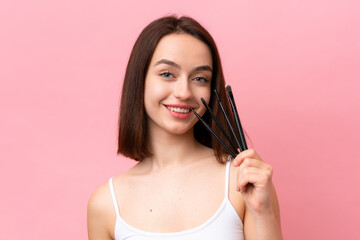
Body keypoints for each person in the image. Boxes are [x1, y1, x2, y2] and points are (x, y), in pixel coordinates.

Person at [87, 15, 283, 240]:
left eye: (200, 78)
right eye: (167, 74)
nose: (184, 93)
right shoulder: (106, 205)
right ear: (139, 80)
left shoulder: (244, 181)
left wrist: (262, 212)